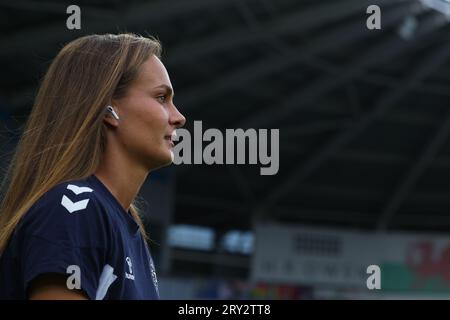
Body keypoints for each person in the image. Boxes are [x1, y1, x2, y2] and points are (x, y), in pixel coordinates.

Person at [0, 33, 186, 300]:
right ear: (109, 108)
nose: (178, 117)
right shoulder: (73, 212)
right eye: (161, 98)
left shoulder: (124, 226)